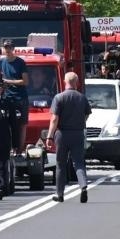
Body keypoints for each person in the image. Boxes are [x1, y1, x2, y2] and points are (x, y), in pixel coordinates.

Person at [43, 71, 90, 204]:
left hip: (62, 134)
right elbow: (87, 114)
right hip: (78, 133)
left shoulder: (59, 98)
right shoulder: (82, 98)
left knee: (60, 164)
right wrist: (79, 122)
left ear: (65, 82)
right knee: (79, 163)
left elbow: (54, 119)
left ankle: (60, 194)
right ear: (77, 83)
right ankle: (83, 185)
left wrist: (49, 136)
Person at [0, 39, 30, 160]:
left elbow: (25, 81)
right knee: (6, 124)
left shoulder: (20, 62)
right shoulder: (0, 62)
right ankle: (9, 149)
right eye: (6, 48)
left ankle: (20, 150)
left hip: (20, 98)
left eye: (9, 47)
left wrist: (8, 81)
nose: (8, 50)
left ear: (13, 49)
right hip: (6, 98)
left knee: (22, 125)